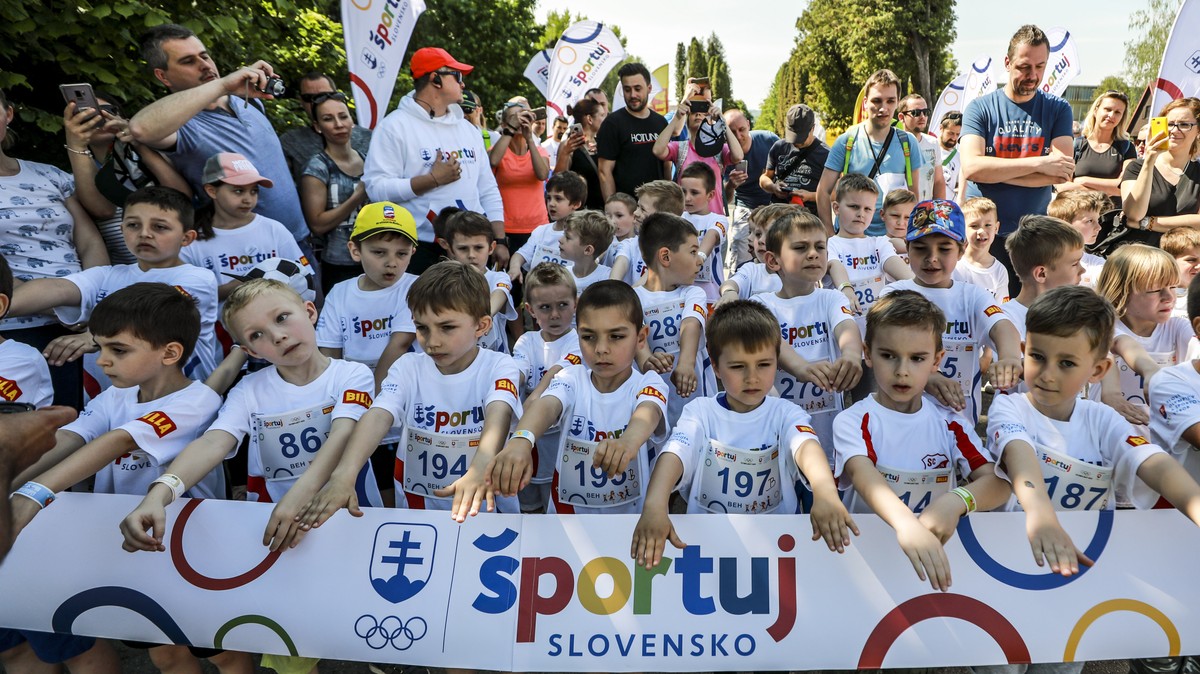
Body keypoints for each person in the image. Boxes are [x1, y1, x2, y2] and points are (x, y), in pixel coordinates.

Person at [12, 283, 244, 674]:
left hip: (194, 552)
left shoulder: (198, 400)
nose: (102, 362)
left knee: (224, 654)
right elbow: (66, 440)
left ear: (170, 353)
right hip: (133, 551)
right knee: (164, 655)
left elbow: (117, 441)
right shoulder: (111, 398)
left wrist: (34, 492)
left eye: (117, 350)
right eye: (100, 347)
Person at [981, 285, 1200, 633]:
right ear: (1024, 351)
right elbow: (1018, 452)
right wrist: (1041, 514)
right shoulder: (1010, 406)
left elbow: (1155, 464)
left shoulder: (1105, 420)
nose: (1048, 373)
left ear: (1098, 370)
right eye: (1037, 357)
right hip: (1011, 559)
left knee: (1061, 660)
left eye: (1067, 363)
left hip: (1079, 573)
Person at [120, 278, 382, 550]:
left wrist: (297, 497)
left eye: (282, 317)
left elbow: (343, 433)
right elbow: (213, 443)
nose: (278, 336)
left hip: (352, 517)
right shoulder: (248, 390)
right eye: (256, 335)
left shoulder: (352, 374)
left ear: (310, 311)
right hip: (273, 524)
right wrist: (160, 493)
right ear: (249, 351)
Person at [631, 300, 857, 567]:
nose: (752, 377)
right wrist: (655, 505)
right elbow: (675, 453)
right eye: (738, 366)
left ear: (778, 362)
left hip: (776, 553)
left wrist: (826, 494)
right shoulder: (700, 411)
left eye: (764, 364)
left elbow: (807, 446)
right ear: (715, 367)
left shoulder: (785, 412)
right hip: (707, 551)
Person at [300, 261, 523, 522]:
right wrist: (343, 475)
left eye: (447, 327)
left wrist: (480, 466)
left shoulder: (499, 365)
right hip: (417, 511)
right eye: (422, 328)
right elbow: (378, 415)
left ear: (482, 326)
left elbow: (499, 414)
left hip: (486, 506)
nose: (433, 341)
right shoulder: (407, 367)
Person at [833, 290, 1011, 592]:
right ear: (867, 354)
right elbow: (865, 478)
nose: (902, 370)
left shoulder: (950, 422)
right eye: (888, 356)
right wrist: (907, 525)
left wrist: (956, 501)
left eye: (917, 358)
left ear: (937, 360)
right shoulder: (852, 420)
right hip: (868, 568)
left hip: (935, 568)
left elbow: (998, 484)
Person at [8, 186, 221, 384]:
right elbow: (56, 289)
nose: (144, 233)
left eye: (160, 227)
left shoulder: (197, 278)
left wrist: (94, 336)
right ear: (122, 229)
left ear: (187, 238)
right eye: (133, 225)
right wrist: (5, 306)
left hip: (181, 401)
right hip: (108, 404)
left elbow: (157, 316)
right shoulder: (107, 275)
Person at [490, 280, 669, 515]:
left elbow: (648, 413)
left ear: (641, 337)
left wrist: (628, 442)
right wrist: (521, 440)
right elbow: (546, 405)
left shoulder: (649, 382)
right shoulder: (572, 377)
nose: (601, 349)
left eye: (616, 336)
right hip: (566, 520)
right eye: (589, 337)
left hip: (629, 522)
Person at [131, 24, 308, 244]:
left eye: (204, 56)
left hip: (299, 241)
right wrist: (223, 84)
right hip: (246, 254)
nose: (204, 66)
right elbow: (139, 128)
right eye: (188, 61)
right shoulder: (180, 126)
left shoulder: (249, 99)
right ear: (163, 76)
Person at [0, 87, 109, 409]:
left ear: (8, 114)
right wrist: (65, 309)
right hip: (17, 329)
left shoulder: (48, 174)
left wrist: (93, 305)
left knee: (81, 425)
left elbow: (88, 241)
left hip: (84, 324)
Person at [362, 47, 508, 273]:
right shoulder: (394, 127)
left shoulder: (468, 129)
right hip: (420, 248)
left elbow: (487, 187)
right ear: (436, 79)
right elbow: (376, 188)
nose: (463, 84)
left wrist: (500, 238)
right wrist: (431, 179)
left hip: (470, 249)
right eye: (457, 76)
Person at [882, 199, 1023, 424]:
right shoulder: (893, 295)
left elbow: (1002, 326)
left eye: (944, 248)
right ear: (907, 248)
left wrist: (1010, 357)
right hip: (902, 420)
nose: (932, 258)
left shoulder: (973, 296)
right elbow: (883, 352)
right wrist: (927, 377)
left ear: (961, 249)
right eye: (920, 248)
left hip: (960, 425)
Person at [960, 24, 1074, 292]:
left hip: (1034, 234)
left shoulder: (1058, 109)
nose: (1032, 75)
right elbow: (973, 167)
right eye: (1024, 66)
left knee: (1031, 315)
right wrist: (1038, 162)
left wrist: (996, 170)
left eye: (1040, 66)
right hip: (984, 234)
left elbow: (1060, 173)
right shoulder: (981, 108)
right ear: (1008, 62)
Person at [753, 209, 863, 451]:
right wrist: (801, 367)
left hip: (831, 432)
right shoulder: (762, 304)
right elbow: (773, 342)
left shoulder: (832, 299)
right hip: (782, 432)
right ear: (773, 261)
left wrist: (852, 356)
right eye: (801, 248)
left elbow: (847, 328)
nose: (813, 254)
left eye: (820, 247)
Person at [62, 91, 192, 266]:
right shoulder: (75, 177)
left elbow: (181, 197)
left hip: (183, 262)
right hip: (131, 273)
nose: (98, 118)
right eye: (86, 114)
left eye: (106, 110)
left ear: (121, 116)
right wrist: (76, 144)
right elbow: (103, 210)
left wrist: (138, 142)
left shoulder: (157, 153)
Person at [179, 153, 310, 306]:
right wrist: (235, 287)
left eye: (254, 191)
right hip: (219, 328)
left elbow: (306, 281)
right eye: (238, 191)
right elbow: (185, 297)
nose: (248, 199)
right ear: (212, 191)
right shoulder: (192, 240)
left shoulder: (274, 229)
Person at [508, 262, 582, 513]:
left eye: (562, 305)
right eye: (545, 307)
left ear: (576, 303)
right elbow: (517, 371)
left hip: (563, 441)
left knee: (557, 509)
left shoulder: (582, 340)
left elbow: (558, 371)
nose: (554, 315)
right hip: (530, 442)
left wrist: (536, 394)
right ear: (529, 310)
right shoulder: (526, 340)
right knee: (528, 507)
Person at [315, 201, 418, 374]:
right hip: (353, 387)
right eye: (379, 252)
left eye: (402, 254)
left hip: (403, 386)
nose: (391, 263)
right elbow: (329, 356)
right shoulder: (339, 293)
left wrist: (376, 399)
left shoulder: (419, 287)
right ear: (355, 250)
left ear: (412, 253)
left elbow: (400, 346)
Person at [818, 70, 924, 236]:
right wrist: (830, 235)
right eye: (877, 101)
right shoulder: (846, 141)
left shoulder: (908, 143)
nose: (884, 108)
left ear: (897, 103)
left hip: (891, 240)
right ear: (865, 103)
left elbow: (914, 194)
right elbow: (823, 191)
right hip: (851, 237)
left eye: (890, 101)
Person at [1095, 245, 1193, 425]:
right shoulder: (1102, 327)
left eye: (1173, 287)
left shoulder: (1178, 327)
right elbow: (1116, 342)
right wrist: (1112, 393)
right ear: (1120, 292)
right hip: (1112, 432)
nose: (1169, 297)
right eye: (1155, 290)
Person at [634, 212, 715, 428]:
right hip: (655, 408)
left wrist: (686, 364)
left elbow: (691, 324)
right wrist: (647, 361)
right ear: (666, 257)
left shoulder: (693, 293)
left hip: (697, 402)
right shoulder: (634, 299)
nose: (698, 259)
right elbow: (636, 338)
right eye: (692, 251)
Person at [299, 91, 369, 291]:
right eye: (328, 119)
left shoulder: (368, 159)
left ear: (352, 120)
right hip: (339, 265)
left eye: (343, 116)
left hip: (374, 260)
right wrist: (357, 197)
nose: (338, 124)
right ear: (317, 127)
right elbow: (318, 225)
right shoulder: (317, 168)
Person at [827, 174, 913, 330]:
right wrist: (846, 288)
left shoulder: (879, 243)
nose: (861, 213)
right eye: (854, 206)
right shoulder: (830, 244)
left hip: (877, 331)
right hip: (844, 331)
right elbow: (834, 265)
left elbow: (894, 263)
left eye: (867, 209)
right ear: (836, 208)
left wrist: (918, 285)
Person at [432, 209, 518, 357]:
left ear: (491, 248)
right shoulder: (438, 281)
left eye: (478, 248)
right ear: (448, 246)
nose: (471, 255)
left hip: (494, 363)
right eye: (463, 248)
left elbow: (498, 297)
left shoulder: (498, 278)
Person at [652, 81, 743, 216]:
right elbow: (658, 150)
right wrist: (678, 116)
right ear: (687, 120)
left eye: (704, 112)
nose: (699, 115)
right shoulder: (680, 148)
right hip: (686, 220)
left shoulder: (718, 149)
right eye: (694, 112)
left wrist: (722, 121)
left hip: (714, 220)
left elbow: (738, 156)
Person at [1120, 97, 1200, 248]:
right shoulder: (1137, 167)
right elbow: (1134, 213)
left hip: (1182, 260)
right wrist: (1149, 160)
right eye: (1169, 124)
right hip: (1139, 257)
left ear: (1198, 130)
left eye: (1184, 125)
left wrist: (1148, 222)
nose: (1174, 131)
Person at [1000, 215, 1086, 343]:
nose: (1083, 270)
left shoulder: (1078, 315)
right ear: (1041, 274)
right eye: (1074, 264)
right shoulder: (1005, 322)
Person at [280, 71, 372, 182]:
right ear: (301, 101)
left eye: (325, 96)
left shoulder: (370, 138)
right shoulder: (290, 143)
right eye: (309, 97)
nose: (317, 102)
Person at [597, 62, 669, 200]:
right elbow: (604, 171)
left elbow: (666, 165)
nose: (632, 95)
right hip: (627, 210)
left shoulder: (661, 122)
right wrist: (613, 211)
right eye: (627, 89)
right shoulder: (612, 124)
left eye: (637, 88)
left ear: (649, 88)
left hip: (658, 208)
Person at [1055, 90, 1135, 209]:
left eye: (1117, 112)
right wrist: (1107, 190)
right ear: (1096, 110)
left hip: (1112, 221)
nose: (1111, 115)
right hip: (1077, 218)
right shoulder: (1076, 145)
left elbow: (1124, 187)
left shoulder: (1127, 148)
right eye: (1107, 109)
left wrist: (1082, 180)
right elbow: (1062, 187)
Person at [491, 100, 550, 249]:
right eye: (514, 118)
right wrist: (510, 130)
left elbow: (542, 174)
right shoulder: (498, 150)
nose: (519, 121)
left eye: (522, 117)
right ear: (504, 124)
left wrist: (529, 138)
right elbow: (492, 161)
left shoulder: (538, 150)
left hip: (538, 227)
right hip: (506, 228)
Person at [508, 171, 586, 281]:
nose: (551, 203)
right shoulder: (540, 231)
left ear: (576, 204)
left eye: (558, 199)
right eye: (549, 198)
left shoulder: (584, 234)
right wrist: (515, 268)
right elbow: (520, 255)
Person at [610, 180, 684, 287]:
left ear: (664, 217)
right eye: (638, 206)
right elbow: (615, 278)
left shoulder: (680, 249)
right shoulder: (630, 245)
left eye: (642, 209)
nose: (635, 213)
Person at [718, 203, 794, 302]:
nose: (760, 240)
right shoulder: (752, 270)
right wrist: (730, 292)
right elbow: (732, 283)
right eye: (758, 234)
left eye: (770, 234)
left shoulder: (799, 273)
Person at [761, 104, 829, 217]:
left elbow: (836, 193)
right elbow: (764, 177)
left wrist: (810, 196)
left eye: (801, 137)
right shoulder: (778, 147)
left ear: (813, 128)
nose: (796, 142)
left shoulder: (826, 154)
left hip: (808, 221)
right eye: (793, 136)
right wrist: (773, 187)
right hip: (777, 217)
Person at [678, 162, 728, 305]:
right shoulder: (678, 219)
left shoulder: (718, 219)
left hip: (711, 296)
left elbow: (711, 236)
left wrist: (699, 257)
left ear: (710, 195)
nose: (687, 198)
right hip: (683, 295)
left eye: (694, 193)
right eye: (683, 191)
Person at [951, 197, 1010, 301]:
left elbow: (1001, 310)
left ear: (996, 228)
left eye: (988, 225)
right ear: (963, 227)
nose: (981, 231)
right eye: (974, 226)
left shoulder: (1000, 271)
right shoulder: (953, 264)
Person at [555, 98, 608, 210]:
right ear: (589, 119)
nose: (605, 119)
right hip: (580, 213)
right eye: (602, 115)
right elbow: (558, 180)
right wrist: (565, 152)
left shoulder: (602, 143)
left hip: (603, 211)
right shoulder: (569, 145)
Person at [1047, 189, 1109, 286]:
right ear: (1064, 224)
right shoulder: (1042, 261)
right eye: (1089, 221)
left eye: (1098, 220)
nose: (1099, 227)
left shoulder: (1097, 264)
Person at [897, 93, 947, 201]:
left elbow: (938, 181)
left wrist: (939, 211)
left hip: (925, 211)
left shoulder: (933, 143)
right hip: (900, 212)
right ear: (901, 117)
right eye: (916, 113)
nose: (922, 117)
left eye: (925, 112)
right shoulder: (894, 143)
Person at [558, 210, 615, 296]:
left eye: (567, 237)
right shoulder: (562, 275)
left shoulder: (608, 278)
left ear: (588, 250)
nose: (560, 240)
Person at [600, 192, 637, 267]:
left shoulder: (642, 245)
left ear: (634, 216)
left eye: (619, 215)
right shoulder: (602, 242)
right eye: (608, 216)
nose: (612, 221)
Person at [881, 188, 918, 260]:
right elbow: (893, 243)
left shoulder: (920, 242)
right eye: (895, 216)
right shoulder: (877, 243)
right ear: (882, 215)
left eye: (907, 217)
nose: (900, 223)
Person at [937, 112, 964, 200]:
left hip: (948, 208)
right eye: (951, 133)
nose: (954, 138)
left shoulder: (960, 157)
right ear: (941, 128)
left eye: (957, 134)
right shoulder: (930, 148)